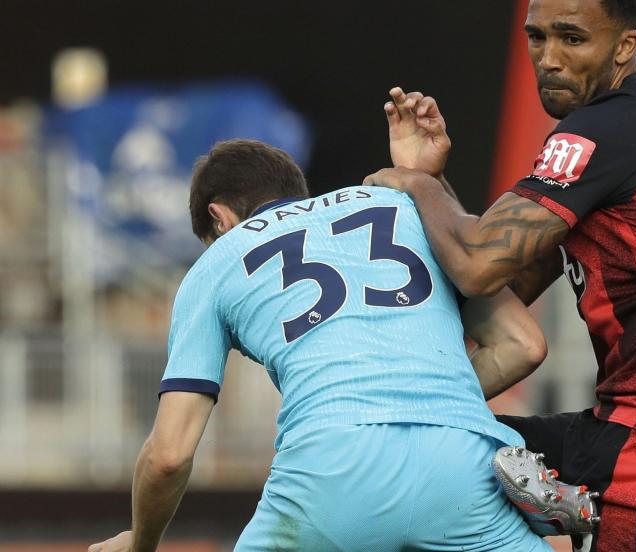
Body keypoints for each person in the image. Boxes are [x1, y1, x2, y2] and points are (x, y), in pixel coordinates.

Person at [365, 0, 636, 550]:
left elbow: (477, 263)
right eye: (537, 36)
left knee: (435, 453)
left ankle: (569, 510)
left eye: (572, 38)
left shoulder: (600, 132)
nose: (549, 58)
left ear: (624, 45)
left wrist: (415, 185)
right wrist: (437, 180)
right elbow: (508, 282)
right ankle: (567, 509)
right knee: (456, 442)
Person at [87, 139, 557, 552]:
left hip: (331, 470)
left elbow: (169, 455)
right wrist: (429, 401)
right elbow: (522, 345)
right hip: (463, 464)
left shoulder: (216, 265)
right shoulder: (402, 208)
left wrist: (141, 542)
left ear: (219, 217)